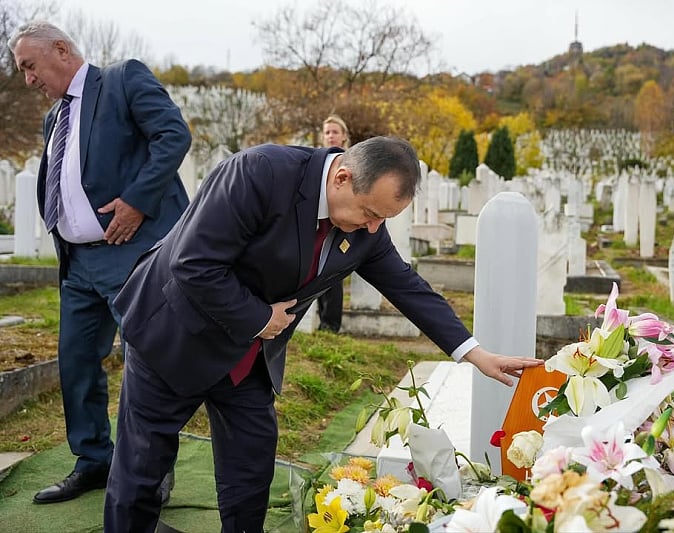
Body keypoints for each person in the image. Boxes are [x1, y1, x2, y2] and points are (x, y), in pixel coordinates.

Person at [104, 136, 543, 532]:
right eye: (371, 213)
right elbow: (192, 264)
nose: (374, 228)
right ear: (343, 176)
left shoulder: (366, 227)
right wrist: (259, 317)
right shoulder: (260, 172)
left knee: (250, 471)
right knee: (142, 471)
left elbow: (407, 287)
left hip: (247, 356)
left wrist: (473, 353)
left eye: (383, 219)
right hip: (175, 332)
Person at [8, 21, 191, 505]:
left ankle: (150, 471)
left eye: (29, 66)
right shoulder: (55, 118)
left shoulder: (123, 79)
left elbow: (173, 137)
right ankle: (93, 461)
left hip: (132, 254)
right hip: (78, 265)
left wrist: (136, 201)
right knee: (77, 364)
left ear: (61, 50)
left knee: (146, 364)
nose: (27, 79)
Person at [316, 114, 349, 332]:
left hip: (343, 224)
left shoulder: (351, 160)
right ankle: (323, 321)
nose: (330, 136)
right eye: (327, 132)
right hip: (322, 224)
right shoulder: (319, 159)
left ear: (344, 136)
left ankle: (332, 323)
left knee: (333, 274)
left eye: (335, 131)